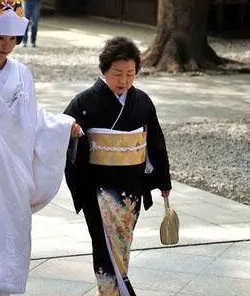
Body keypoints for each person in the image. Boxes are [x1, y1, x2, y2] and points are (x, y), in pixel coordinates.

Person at [0, 0, 81, 296]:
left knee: (12, 228)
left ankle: (5, 286)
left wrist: (64, 126)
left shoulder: (23, 74)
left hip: (15, 169)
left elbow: (32, 117)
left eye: (11, 39)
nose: (6, 45)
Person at [64, 36, 172, 296]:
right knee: (104, 247)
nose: (123, 81)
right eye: (117, 74)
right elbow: (60, 133)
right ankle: (114, 292)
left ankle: (115, 289)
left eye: (130, 74)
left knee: (120, 246)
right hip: (97, 189)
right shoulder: (84, 103)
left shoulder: (143, 102)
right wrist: (71, 131)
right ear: (104, 70)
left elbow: (156, 143)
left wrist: (163, 182)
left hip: (130, 189)